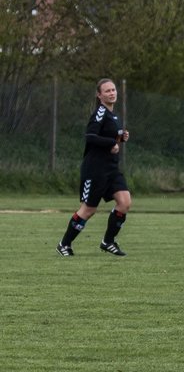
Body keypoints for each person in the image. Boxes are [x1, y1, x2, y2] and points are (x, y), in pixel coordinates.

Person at [57, 78, 133, 257]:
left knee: (124, 202)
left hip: (112, 169)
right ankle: (64, 244)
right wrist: (110, 143)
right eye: (107, 91)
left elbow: (110, 136)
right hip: (95, 170)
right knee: (88, 210)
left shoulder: (113, 114)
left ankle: (108, 242)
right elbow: (91, 136)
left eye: (113, 90)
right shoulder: (99, 112)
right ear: (99, 95)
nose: (112, 93)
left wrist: (121, 137)